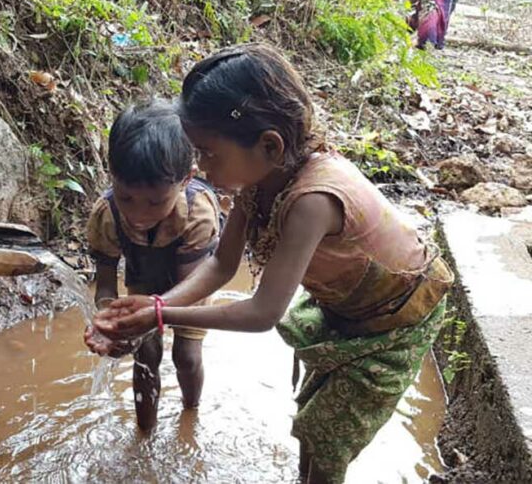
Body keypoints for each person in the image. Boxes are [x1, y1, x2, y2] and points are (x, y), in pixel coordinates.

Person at [87, 44, 454, 483]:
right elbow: (222, 267)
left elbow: (262, 312)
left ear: (269, 144)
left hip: (398, 319)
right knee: (315, 421)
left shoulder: (312, 200)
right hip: (346, 306)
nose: (200, 167)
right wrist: (153, 311)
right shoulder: (260, 180)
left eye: (208, 152)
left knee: (328, 435)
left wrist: (160, 314)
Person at [84, 101, 221, 431]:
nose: (139, 213)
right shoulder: (107, 214)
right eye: (127, 197)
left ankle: (190, 416)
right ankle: (144, 433)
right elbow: (105, 286)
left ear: (186, 180)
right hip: (142, 282)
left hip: (191, 286)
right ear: (112, 175)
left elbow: (187, 294)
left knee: (185, 356)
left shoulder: (197, 214)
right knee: (145, 355)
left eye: (156, 201)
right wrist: (110, 320)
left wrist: (152, 314)